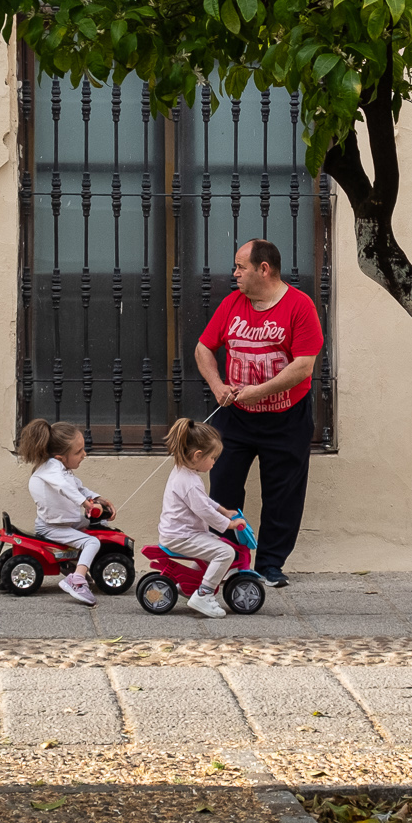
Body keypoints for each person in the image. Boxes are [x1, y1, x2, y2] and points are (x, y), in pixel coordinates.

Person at [192, 237, 323, 588]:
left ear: (263, 269)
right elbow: (204, 348)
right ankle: (230, 557)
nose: (234, 273)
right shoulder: (233, 303)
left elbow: (304, 366)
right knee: (223, 487)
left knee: (283, 494)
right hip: (235, 417)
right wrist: (219, 387)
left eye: (240, 267)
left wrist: (258, 393)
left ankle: (270, 565)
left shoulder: (299, 306)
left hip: (287, 417)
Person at [158, 417, 241, 618]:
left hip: (180, 533)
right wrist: (229, 524)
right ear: (197, 455)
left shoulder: (184, 472)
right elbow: (203, 510)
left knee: (213, 544)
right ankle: (203, 594)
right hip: (181, 536)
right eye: (212, 458)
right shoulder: (190, 482)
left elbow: (203, 502)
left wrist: (223, 510)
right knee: (226, 552)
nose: (214, 463)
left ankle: (194, 583)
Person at [19, 417, 106, 606]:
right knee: (92, 542)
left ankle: (73, 566)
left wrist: (99, 499)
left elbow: (78, 488)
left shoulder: (61, 469)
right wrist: (85, 503)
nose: (84, 454)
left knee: (100, 526)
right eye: (78, 451)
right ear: (60, 456)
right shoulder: (51, 469)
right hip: (52, 527)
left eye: (83, 449)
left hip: (65, 521)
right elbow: (64, 487)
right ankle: (76, 580)